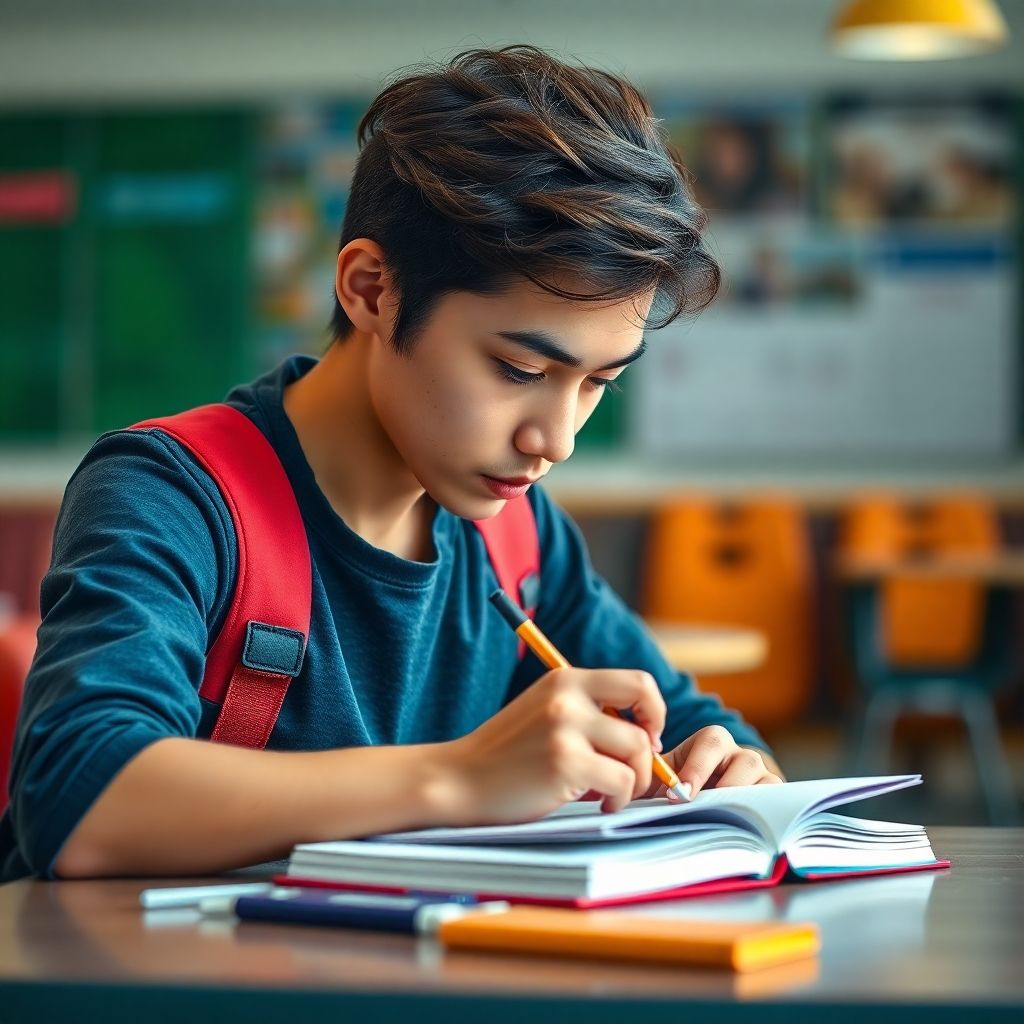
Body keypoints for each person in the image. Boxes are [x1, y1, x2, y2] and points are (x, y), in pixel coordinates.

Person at [1, 46, 782, 882]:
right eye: (520, 371)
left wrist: (737, 773)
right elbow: (80, 801)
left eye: (597, 384)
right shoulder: (173, 496)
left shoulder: (516, 538)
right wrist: (461, 777)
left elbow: (705, 732)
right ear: (371, 289)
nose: (555, 439)